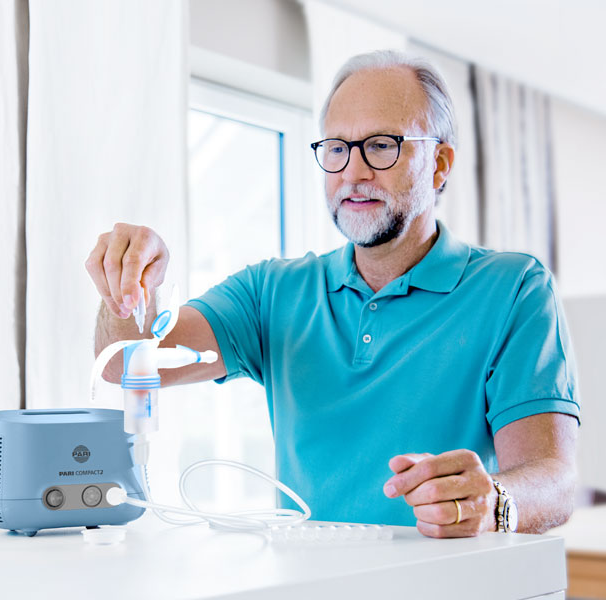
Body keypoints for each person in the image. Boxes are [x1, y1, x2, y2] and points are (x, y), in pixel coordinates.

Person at [85, 50, 579, 538]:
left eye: (382, 145)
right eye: (337, 148)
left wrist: (492, 500)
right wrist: (127, 287)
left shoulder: (513, 289)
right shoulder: (272, 292)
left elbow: (553, 480)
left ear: (439, 164)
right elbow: (126, 364)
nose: (353, 172)